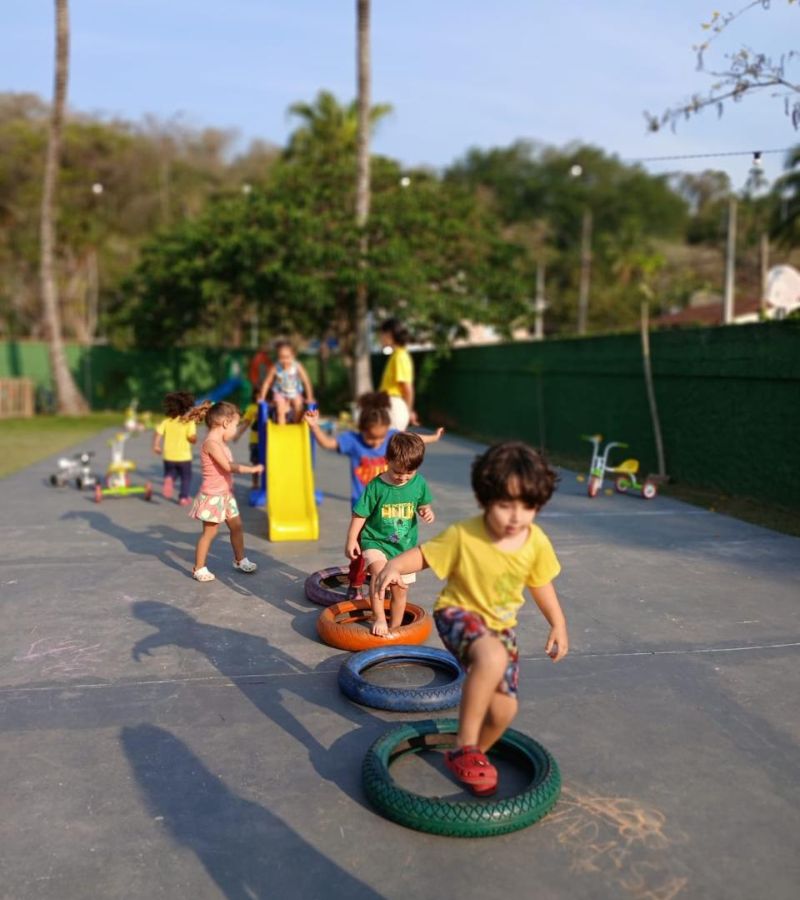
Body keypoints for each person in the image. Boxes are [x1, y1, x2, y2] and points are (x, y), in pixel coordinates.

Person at [371, 441, 569, 796]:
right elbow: (423, 556)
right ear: (484, 500)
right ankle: (465, 744)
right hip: (457, 614)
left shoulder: (535, 541)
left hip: (500, 628)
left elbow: (541, 583)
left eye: (527, 507)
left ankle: (472, 753)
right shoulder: (465, 534)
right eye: (505, 505)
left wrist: (558, 622)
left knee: (505, 709)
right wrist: (394, 565)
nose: (515, 517)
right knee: (490, 656)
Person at [305, 393, 443, 598]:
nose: (376, 442)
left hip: (392, 508)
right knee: (360, 552)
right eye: (371, 437)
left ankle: (385, 583)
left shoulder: (392, 439)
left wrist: (433, 437)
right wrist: (315, 426)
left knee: (392, 547)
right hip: (365, 509)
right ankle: (356, 584)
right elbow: (327, 443)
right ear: (362, 431)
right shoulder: (352, 441)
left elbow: (414, 440)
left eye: (380, 437)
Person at [346, 432, 435, 636]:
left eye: (408, 473)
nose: (402, 477)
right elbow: (360, 514)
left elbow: (424, 503)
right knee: (379, 576)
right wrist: (352, 539)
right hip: (375, 541)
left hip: (403, 548)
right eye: (397, 472)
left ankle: (395, 627)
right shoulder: (377, 486)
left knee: (400, 589)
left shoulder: (418, 483)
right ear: (387, 461)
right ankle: (379, 618)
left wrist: (426, 511)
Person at [183, 401, 263, 582]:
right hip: (213, 497)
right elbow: (227, 466)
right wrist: (251, 469)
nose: (235, 430)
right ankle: (199, 568)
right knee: (209, 533)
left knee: (237, 527)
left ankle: (240, 559)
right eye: (235, 425)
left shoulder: (220, 442)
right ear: (226, 423)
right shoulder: (211, 443)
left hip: (225, 495)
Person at [152, 391, 197, 505]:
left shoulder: (167, 421)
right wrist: (194, 439)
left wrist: (156, 445)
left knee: (172, 472)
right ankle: (183, 497)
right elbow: (191, 437)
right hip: (184, 457)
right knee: (186, 477)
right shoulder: (189, 422)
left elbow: (158, 433)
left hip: (169, 456)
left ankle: (169, 478)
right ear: (187, 407)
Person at [257, 340, 315, 425]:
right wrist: (262, 397)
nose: (284, 360)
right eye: (281, 357)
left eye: (287, 357)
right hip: (280, 392)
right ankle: (282, 430)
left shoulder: (297, 366)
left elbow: (306, 381)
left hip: (295, 392)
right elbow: (267, 382)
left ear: (293, 356)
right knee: (280, 410)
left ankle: (295, 424)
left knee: (299, 407)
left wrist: (310, 397)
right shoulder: (276, 367)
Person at [378, 318, 416, 430]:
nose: (380, 338)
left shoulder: (400, 356)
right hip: (389, 406)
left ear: (389, 334)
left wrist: (407, 412)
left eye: (381, 334)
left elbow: (407, 388)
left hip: (393, 407)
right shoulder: (395, 355)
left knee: (391, 445)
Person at [236, 387, 263, 489]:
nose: (260, 397)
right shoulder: (251, 408)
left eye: (262, 395)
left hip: (267, 441)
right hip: (255, 441)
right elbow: (246, 423)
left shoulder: (269, 407)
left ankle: (268, 482)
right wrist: (238, 434)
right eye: (258, 395)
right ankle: (255, 483)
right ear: (254, 396)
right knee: (255, 462)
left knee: (267, 463)